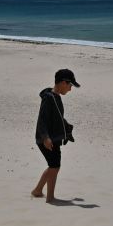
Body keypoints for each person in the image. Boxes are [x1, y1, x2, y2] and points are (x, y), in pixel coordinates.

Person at [31, 68, 79, 203]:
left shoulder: (55, 97)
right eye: (70, 85)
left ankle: (38, 191)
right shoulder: (49, 98)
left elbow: (57, 117)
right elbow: (42, 120)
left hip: (53, 139)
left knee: (53, 166)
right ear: (63, 82)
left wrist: (66, 128)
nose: (70, 89)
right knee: (54, 167)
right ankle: (50, 197)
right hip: (47, 140)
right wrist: (45, 137)